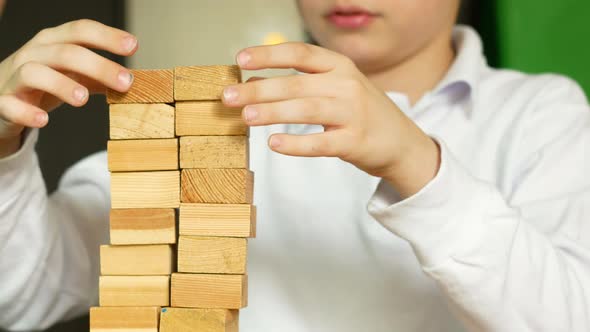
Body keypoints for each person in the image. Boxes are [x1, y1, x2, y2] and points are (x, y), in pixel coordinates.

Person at [1, 0, 589, 331]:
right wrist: (3, 146)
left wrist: (416, 161)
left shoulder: (544, 113)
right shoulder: (214, 118)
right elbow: (19, 298)